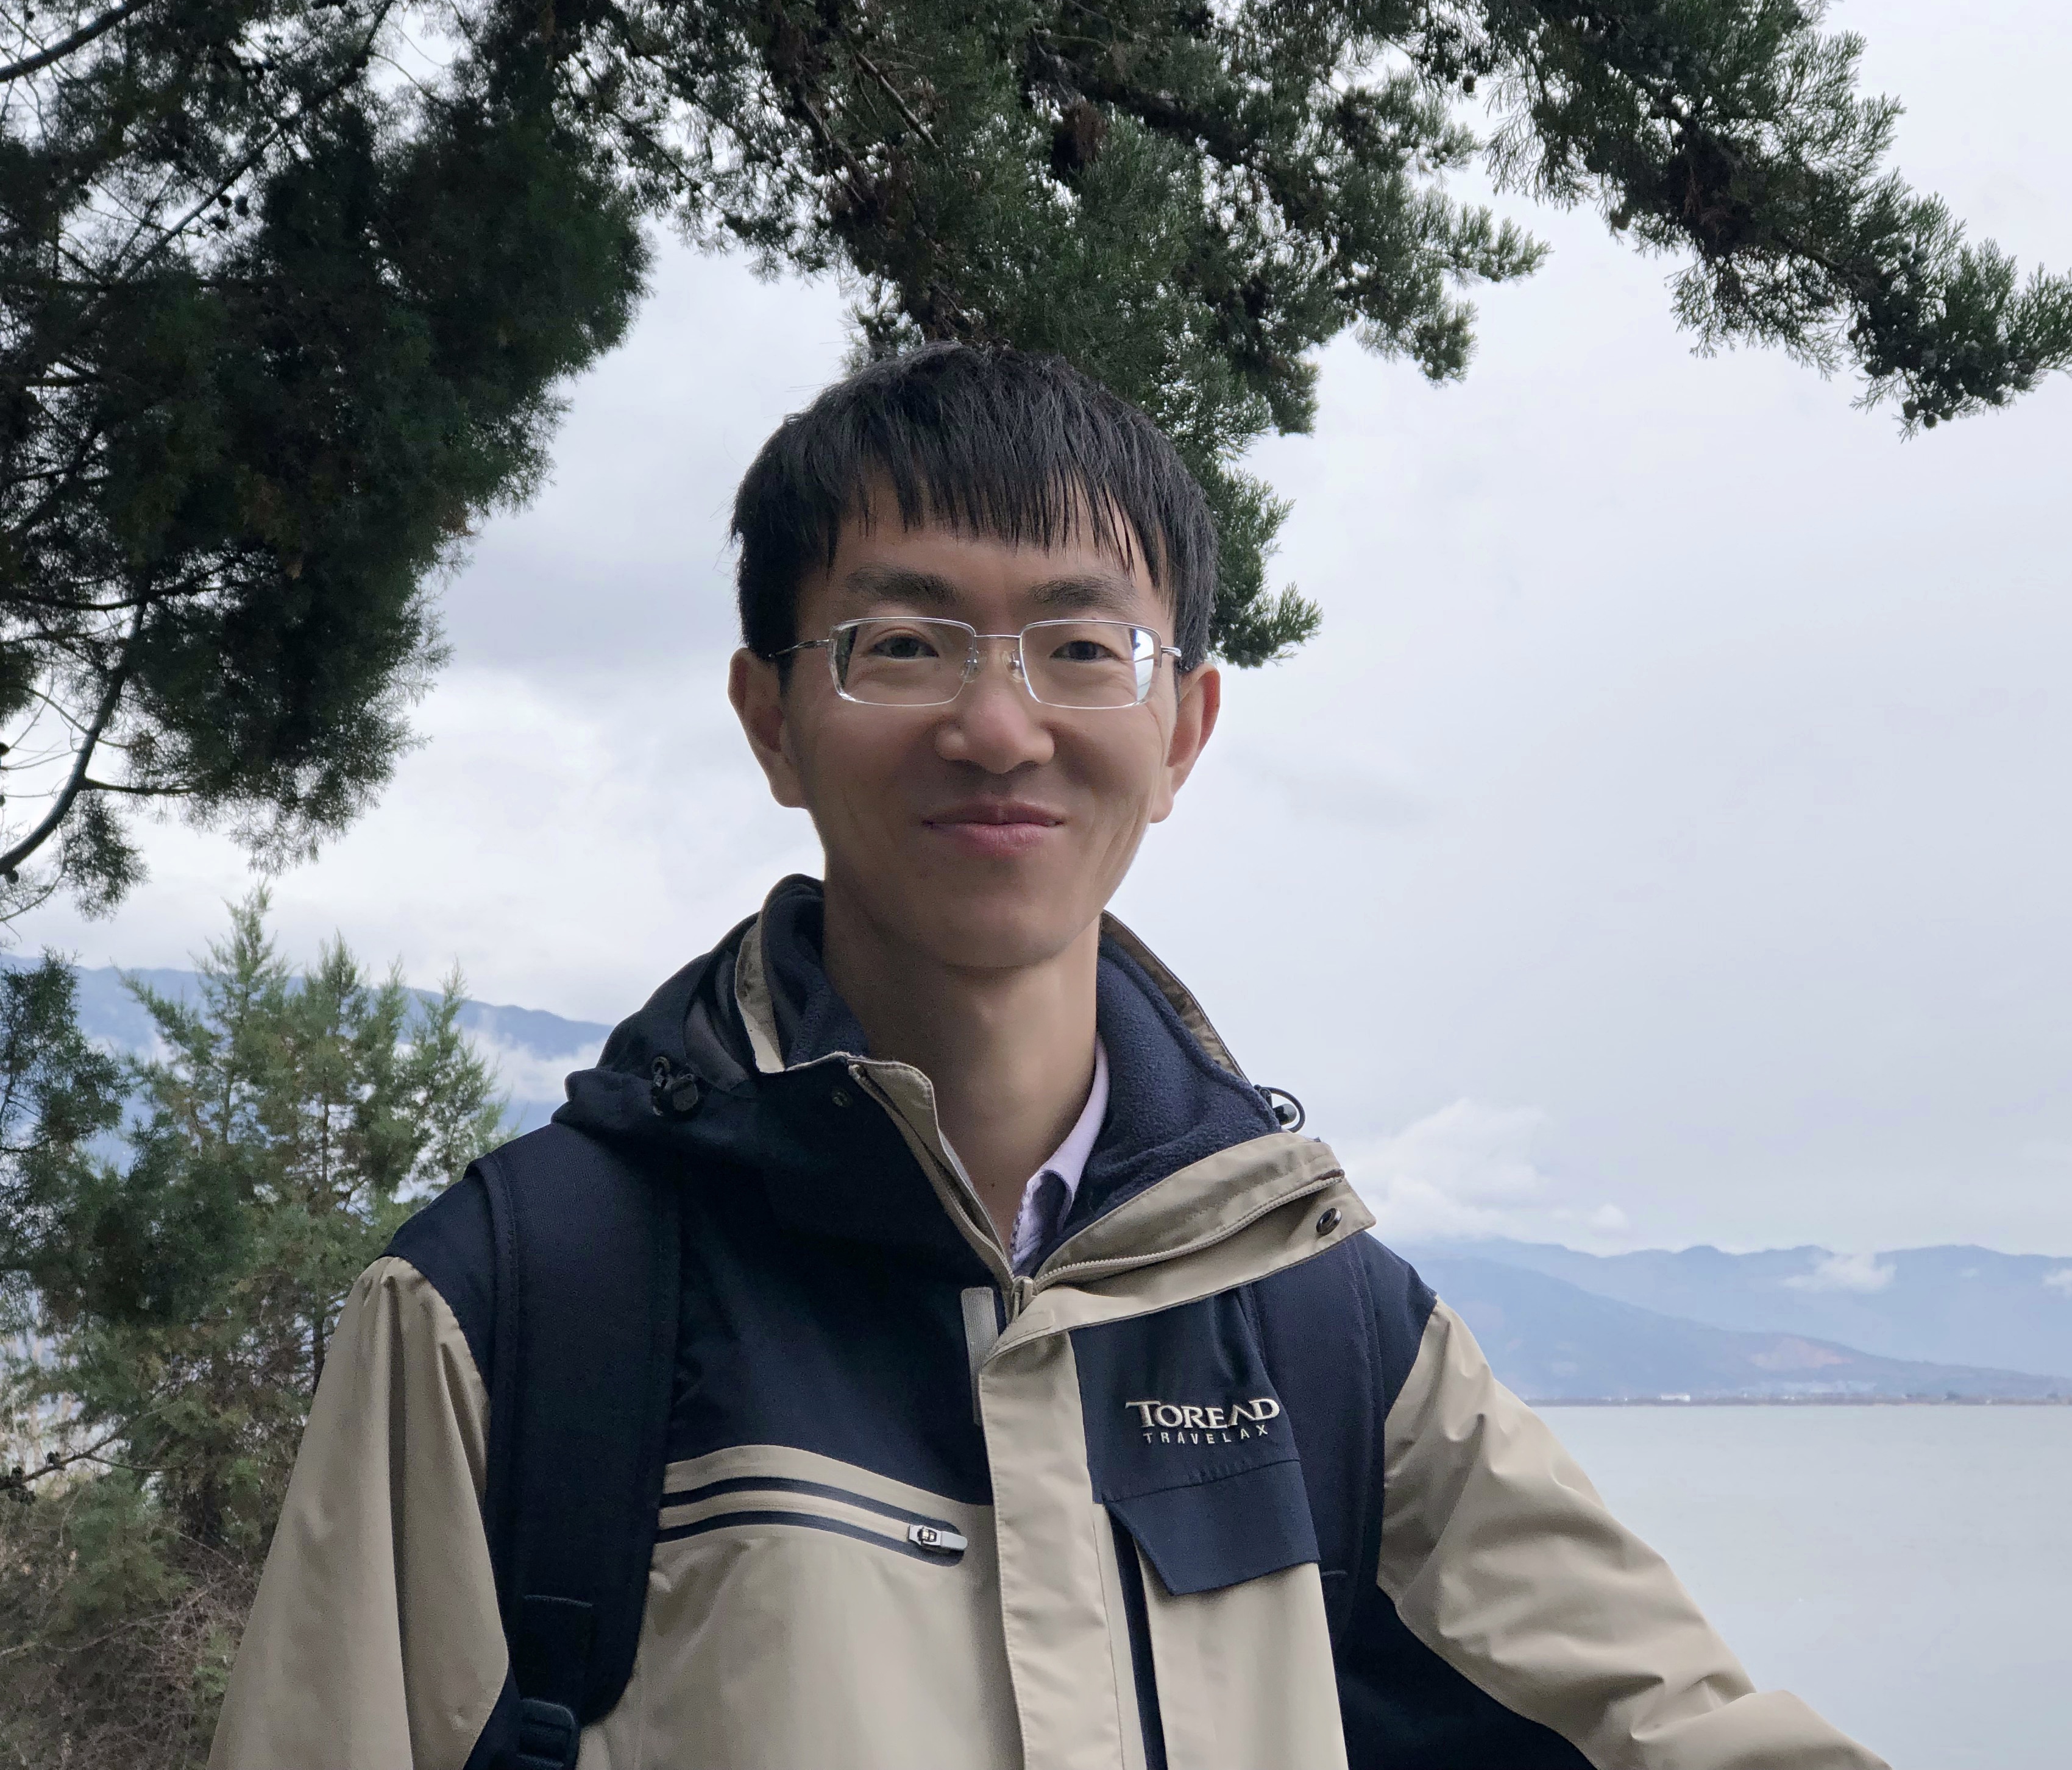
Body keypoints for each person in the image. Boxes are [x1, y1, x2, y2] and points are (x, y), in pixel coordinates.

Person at [210, 344, 1886, 1770]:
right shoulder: (520, 1305)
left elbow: (1691, 1728)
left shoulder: (1321, 1324)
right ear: (771, 718)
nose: (1000, 727)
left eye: (1083, 649)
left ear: (1184, 730)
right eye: (904, 644)